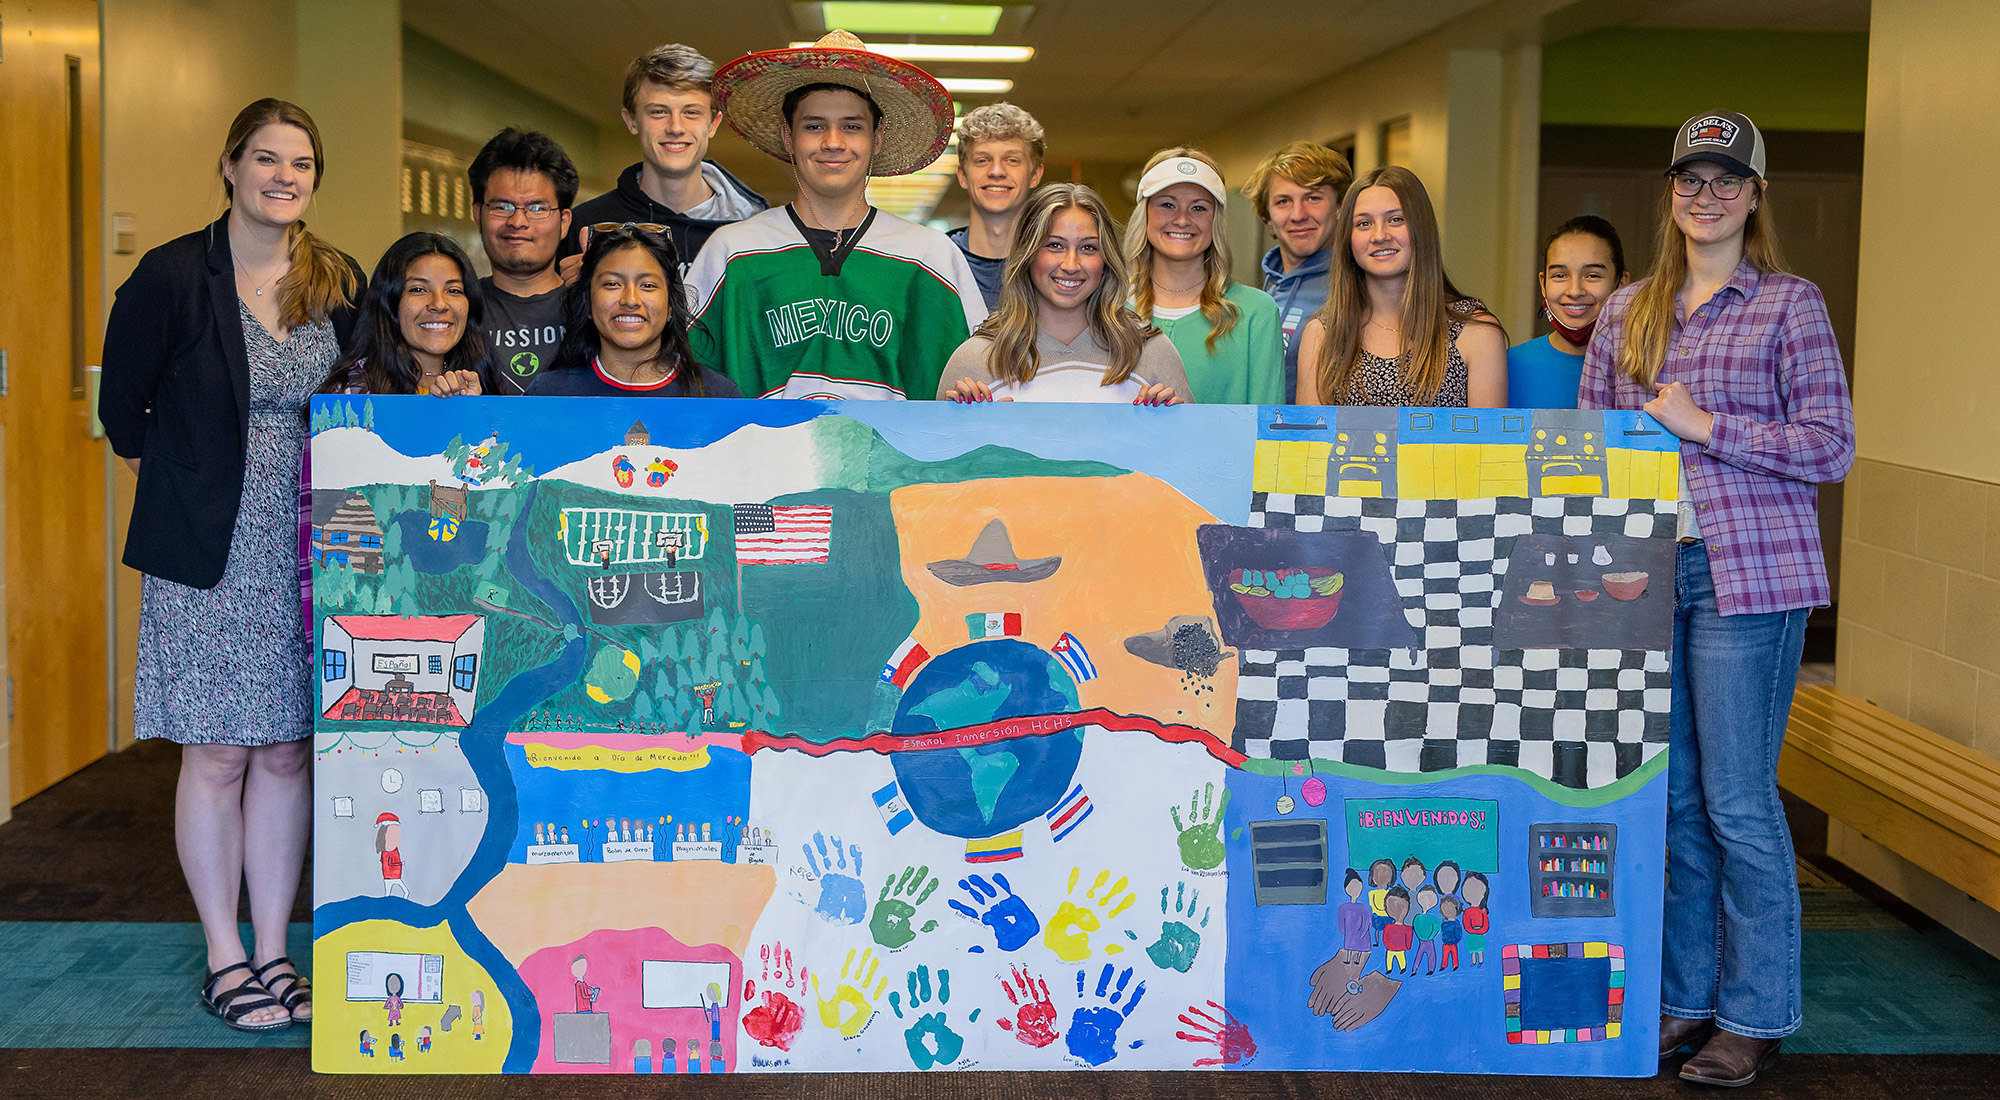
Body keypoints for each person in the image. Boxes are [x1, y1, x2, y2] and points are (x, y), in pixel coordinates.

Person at [1583, 110, 1853, 1090]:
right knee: (1678, 804)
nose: (1704, 195)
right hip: (1651, 575)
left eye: (1723, 180)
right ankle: (1685, 999)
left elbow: (1829, 443)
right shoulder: (1624, 311)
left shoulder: (1789, 304)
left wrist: (1703, 424)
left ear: (1754, 194)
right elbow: (1592, 454)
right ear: (1669, 194)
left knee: (1738, 803)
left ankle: (1753, 1013)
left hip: (1752, 578)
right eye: (1688, 179)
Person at [99, 97, 364, 1033]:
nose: (283, 175)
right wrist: (197, 475)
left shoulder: (336, 279)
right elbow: (121, 411)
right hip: (205, 541)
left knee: (290, 749)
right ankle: (223, 954)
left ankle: (275, 950)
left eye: (300, 162)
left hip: (316, 537)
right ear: (230, 165)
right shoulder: (172, 275)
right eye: (266, 158)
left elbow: (364, 388)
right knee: (218, 752)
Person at [689, 30, 986, 400]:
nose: (832, 142)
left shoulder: (930, 257)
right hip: (761, 458)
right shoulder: (732, 253)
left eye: (852, 126)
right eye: (814, 126)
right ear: (788, 136)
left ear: (876, 138)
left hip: (891, 460)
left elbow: (972, 382)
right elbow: (685, 385)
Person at [938, 183, 1188, 404]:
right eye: (1054, 245)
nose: (1071, 265)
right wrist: (971, 432)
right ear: (1028, 254)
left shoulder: (1151, 352)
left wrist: (1171, 424)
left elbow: (1190, 453)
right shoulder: (975, 360)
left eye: (1088, 248)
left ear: (1106, 259)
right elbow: (944, 455)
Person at [1297, 165, 1507, 407]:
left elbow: (1486, 444)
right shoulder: (1322, 333)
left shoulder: (1475, 330)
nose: (1379, 235)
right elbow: (1311, 443)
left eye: (1395, 220)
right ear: (1348, 238)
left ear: (1421, 228)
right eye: (1364, 224)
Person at [565, 44, 767, 271]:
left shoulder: (755, 226)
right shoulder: (586, 226)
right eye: (659, 112)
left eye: (691, 112)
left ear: (713, 124)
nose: (676, 127)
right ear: (631, 120)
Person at [1125, 148, 1284, 404]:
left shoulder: (1255, 312)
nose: (1182, 219)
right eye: (1167, 205)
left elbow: (1264, 431)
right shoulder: (1109, 310)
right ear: (1144, 214)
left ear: (1216, 221)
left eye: (1198, 208)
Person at [529, 223, 740, 398]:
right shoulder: (549, 394)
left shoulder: (718, 396)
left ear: (670, 306)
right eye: (612, 284)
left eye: (647, 285)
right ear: (588, 303)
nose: (630, 300)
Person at [470, 128, 579, 392]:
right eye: (502, 206)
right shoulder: (457, 309)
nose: (518, 222)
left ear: (564, 222)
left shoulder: (592, 309)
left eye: (537, 208)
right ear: (477, 214)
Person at [323, 232, 498, 397]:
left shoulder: (478, 383)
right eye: (418, 289)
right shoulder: (354, 394)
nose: (439, 304)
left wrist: (474, 411)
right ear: (390, 302)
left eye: (453, 290)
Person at [1244, 141, 1353, 400]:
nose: (1298, 214)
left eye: (1313, 198)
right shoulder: (1266, 290)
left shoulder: (1356, 286)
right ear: (1267, 215)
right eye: (1283, 201)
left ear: (1340, 207)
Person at [1510, 215, 1628, 408]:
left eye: (1592, 275)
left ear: (1621, 284)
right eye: (1559, 275)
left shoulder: (1641, 369)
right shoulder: (1507, 366)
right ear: (1543, 283)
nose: (1574, 291)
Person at [949, 102, 1047, 310]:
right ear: (962, 176)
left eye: (1012, 160)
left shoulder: (1056, 266)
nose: (996, 171)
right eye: (982, 160)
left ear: (1035, 175)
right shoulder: (937, 262)